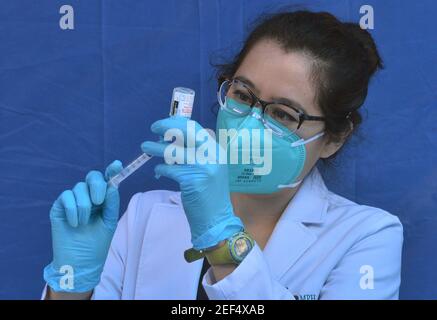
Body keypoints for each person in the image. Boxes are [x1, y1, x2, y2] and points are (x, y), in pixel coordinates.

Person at [43, 10, 403, 300]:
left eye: (282, 114)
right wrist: (72, 285)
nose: (249, 125)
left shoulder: (367, 237)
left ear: (334, 138)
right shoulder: (143, 215)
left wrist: (219, 236)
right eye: (244, 96)